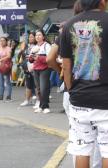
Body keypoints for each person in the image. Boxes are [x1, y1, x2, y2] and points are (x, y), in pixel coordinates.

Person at [61, 0, 108, 167]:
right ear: (102, 1)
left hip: (80, 98)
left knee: (81, 147)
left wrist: (70, 88)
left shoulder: (68, 26)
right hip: (105, 99)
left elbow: (66, 65)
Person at [32, 29, 52, 114]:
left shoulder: (47, 45)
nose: (37, 36)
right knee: (39, 89)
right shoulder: (34, 47)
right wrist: (30, 58)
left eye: (39, 35)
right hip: (36, 69)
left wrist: (39, 58)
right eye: (36, 35)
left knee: (44, 88)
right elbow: (31, 59)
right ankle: (41, 105)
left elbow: (49, 58)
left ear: (43, 36)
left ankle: (46, 106)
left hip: (44, 69)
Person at [20, 32, 37, 106]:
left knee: (36, 85)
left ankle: (38, 101)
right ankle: (27, 100)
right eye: (29, 37)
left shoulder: (38, 46)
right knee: (28, 84)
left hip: (35, 68)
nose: (30, 38)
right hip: (27, 68)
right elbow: (23, 56)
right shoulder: (26, 46)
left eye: (32, 37)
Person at [0, 37, 13, 101]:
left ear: (6, 41)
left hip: (6, 66)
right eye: (1, 41)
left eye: (3, 40)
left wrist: (1, 60)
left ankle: (9, 96)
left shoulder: (8, 48)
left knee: (8, 81)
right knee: (1, 82)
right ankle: (1, 95)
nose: (2, 42)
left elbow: (9, 56)